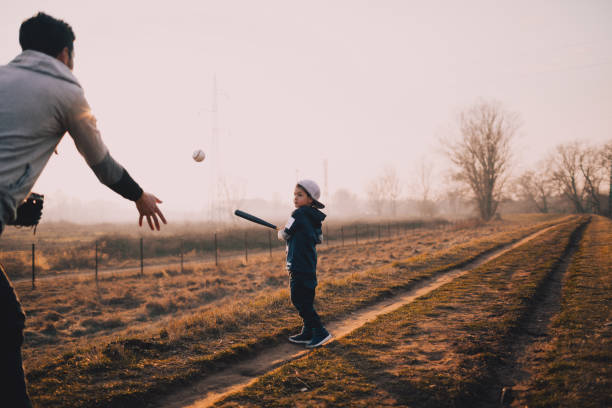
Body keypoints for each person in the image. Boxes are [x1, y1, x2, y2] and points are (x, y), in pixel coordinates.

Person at [0, 12, 167, 406]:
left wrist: (13, 207)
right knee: (7, 323)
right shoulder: (66, 91)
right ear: (65, 53)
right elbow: (103, 164)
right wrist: (138, 194)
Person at [278, 179, 332, 348]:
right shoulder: (315, 218)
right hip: (309, 264)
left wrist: (281, 232)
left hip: (297, 264)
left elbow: (285, 234)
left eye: (300, 195)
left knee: (298, 299)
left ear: (310, 199)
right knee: (306, 300)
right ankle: (308, 331)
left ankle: (320, 332)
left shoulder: (297, 214)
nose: (295, 198)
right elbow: (319, 239)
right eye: (294, 194)